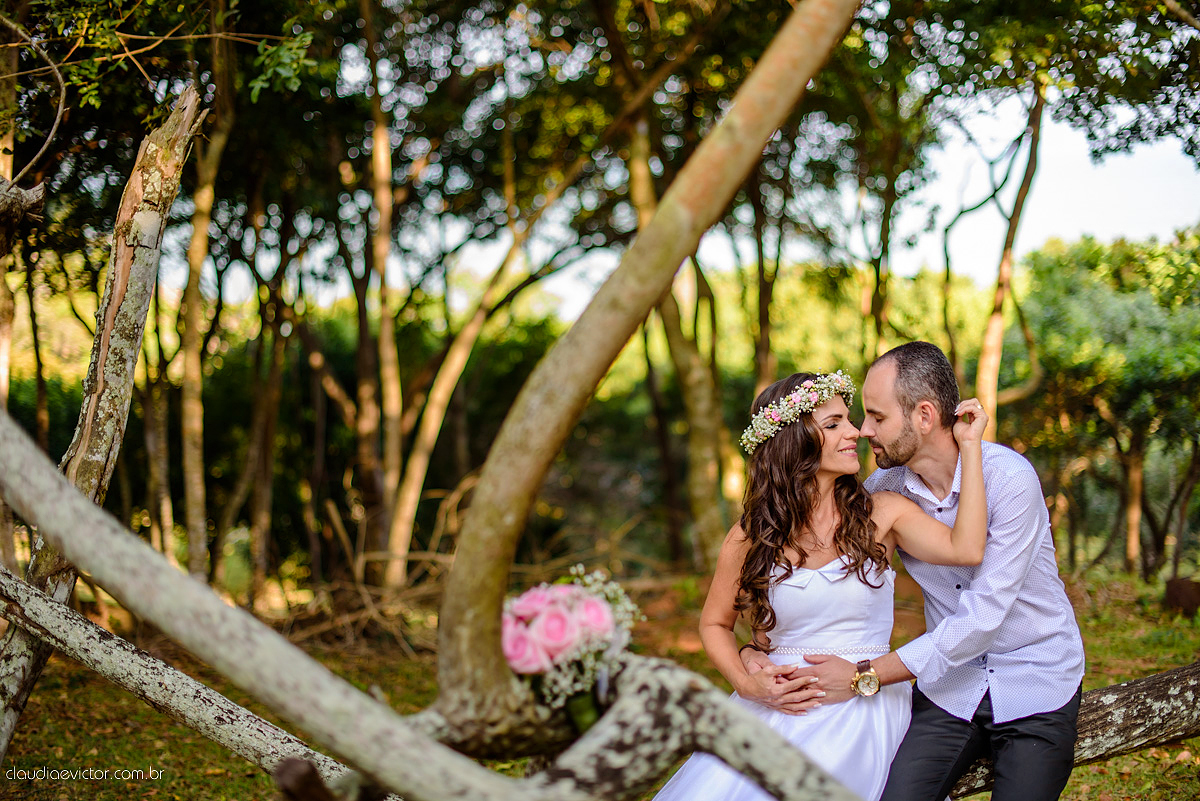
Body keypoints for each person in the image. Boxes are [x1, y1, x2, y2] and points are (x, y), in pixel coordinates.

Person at [743, 342, 1085, 801]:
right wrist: (755, 652)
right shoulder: (880, 492)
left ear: (924, 416)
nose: (863, 431)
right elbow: (809, 567)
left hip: (1036, 681)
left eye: (876, 417)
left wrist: (865, 674)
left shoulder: (1009, 480)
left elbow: (983, 618)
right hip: (951, 689)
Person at [654, 369, 990, 801]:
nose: (855, 432)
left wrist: (970, 447)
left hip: (865, 706)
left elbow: (967, 548)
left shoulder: (883, 512)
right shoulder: (751, 533)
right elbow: (714, 624)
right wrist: (746, 680)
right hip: (777, 705)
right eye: (833, 425)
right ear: (793, 442)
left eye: (848, 420)